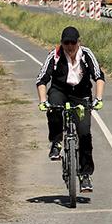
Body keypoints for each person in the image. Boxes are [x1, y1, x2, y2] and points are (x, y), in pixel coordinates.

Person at [35, 26, 104, 193]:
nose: (70, 46)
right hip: (60, 90)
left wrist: (98, 99)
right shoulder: (55, 55)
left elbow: (98, 76)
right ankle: (56, 142)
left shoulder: (87, 54)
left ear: (78, 42)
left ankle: (85, 175)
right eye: (66, 43)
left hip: (81, 94)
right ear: (62, 43)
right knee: (54, 107)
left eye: (73, 42)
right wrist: (43, 101)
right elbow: (42, 79)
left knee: (85, 134)